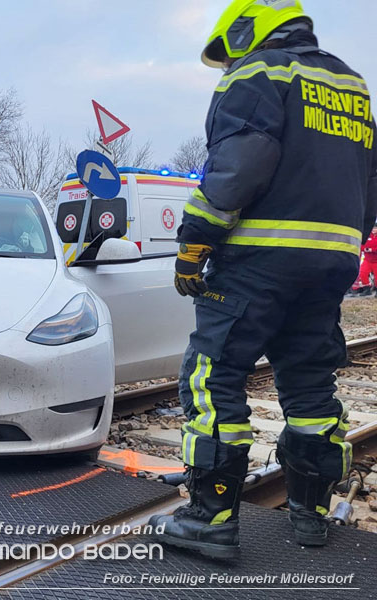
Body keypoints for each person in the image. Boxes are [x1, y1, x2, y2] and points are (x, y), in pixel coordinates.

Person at [150, 0, 377, 559]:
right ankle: (310, 516)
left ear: (249, 28)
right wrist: (345, 241)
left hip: (257, 258)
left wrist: (195, 238)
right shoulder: (352, 86)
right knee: (310, 389)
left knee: (212, 375)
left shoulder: (258, 72)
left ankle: (210, 519)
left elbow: (240, 161)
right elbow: (368, 182)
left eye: (231, 50)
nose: (231, 62)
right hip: (331, 262)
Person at [351, 225, 377, 294]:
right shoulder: (367, 236)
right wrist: (365, 249)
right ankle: (367, 288)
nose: (374, 230)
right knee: (363, 273)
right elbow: (362, 245)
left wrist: (372, 250)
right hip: (367, 260)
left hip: (376, 261)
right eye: (373, 228)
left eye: (375, 228)